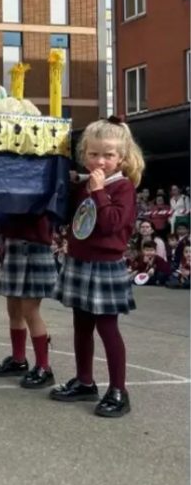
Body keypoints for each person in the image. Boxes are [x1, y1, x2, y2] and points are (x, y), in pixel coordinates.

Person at [51, 117, 144, 418]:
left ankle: (119, 389)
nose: (100, 161)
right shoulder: (84, 184)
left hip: (106, 266)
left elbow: (110, 224)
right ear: (84, 154)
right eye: (93, 154)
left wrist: (99, 191)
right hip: (80, 261)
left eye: (108, 155)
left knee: (107, 327)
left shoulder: (123, 188)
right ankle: (84, 380)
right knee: (81, 325)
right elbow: (72, 218)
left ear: (121, 158)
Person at [0, 214, 57, 389]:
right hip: (14, 243)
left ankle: (44, 367)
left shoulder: (41, 188)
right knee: (14, 309)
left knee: (30, 311)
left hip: (33, 245)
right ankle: (18, 360)